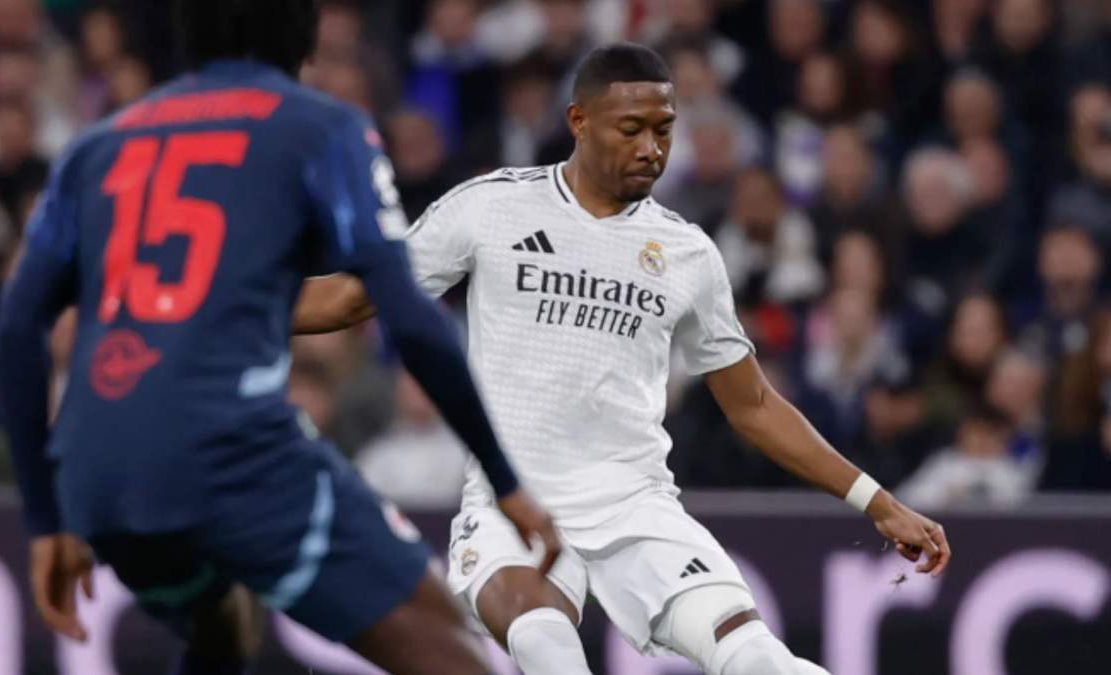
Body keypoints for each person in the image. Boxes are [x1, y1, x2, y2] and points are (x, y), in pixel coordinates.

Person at [295, 43, 951, 675]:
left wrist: (875, 499)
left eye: (664, 129)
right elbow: (354, 297)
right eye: (631, 128)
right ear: (579, 121)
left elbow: (751, 406)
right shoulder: (493, 207)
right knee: (551, 652)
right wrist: (223, 305)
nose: (651, 148)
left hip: (637, 507)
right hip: (513, 506)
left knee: (756, 659)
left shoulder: (686, 253)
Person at [0, 2, 559, 674]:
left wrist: (44, 517)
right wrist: (502, 476)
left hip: (99, 474)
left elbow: (15, 329)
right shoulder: (317, 127)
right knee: (453, 649)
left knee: (224, 622)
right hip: (234, 453)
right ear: (302, 30)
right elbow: (405, 315)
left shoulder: (97, 146)